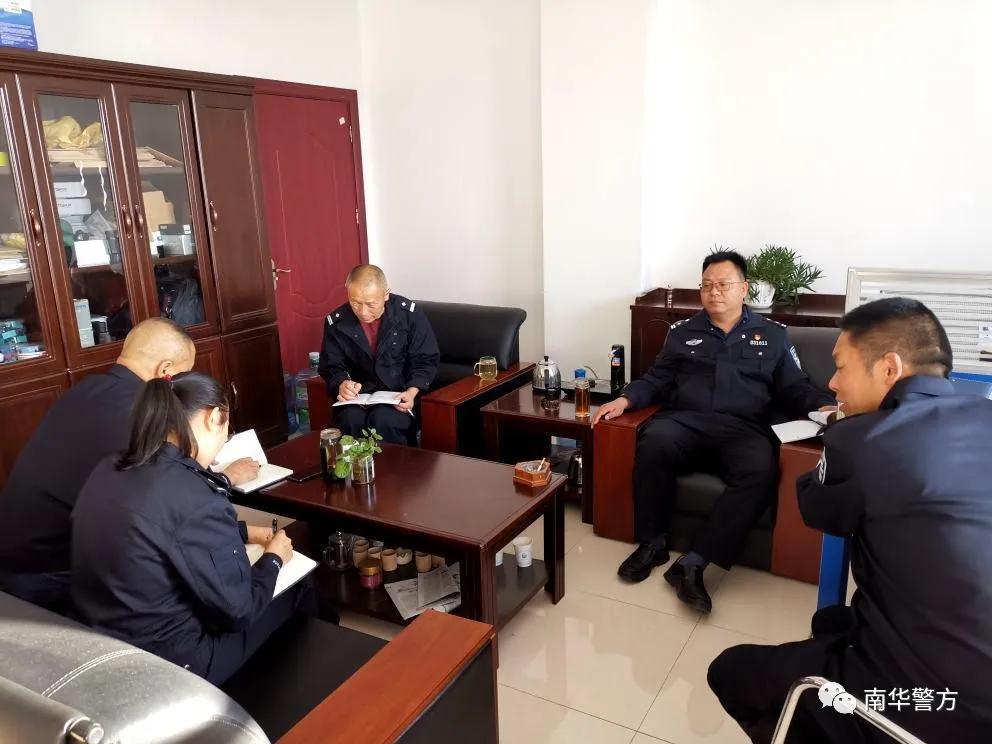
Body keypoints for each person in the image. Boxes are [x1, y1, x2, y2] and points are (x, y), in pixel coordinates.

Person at [708, 298, 992, 744]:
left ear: (889, 368)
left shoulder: (864, 440)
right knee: (832, 621)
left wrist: (840, 427)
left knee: (730, 670)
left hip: (920, 706)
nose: (832, 382)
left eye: (841, 367)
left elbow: (817, 509)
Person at [593, 250, 832, 613]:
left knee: (760, 470)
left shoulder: (772, 335)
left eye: (723, 284)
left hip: (744, 428)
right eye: (707, 285)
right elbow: (657, 379)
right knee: (654, 442)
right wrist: (625, 400)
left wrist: (823, 407)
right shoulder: (682, 332)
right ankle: (652, 543)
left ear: (744, 289)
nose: (714, 291)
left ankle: (694, 563)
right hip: (686, 422)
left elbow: (795, 387)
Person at [71, 372, 314, 685]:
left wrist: (243, 532)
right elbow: (238, 611)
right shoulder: (198, 497)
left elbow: (162, 533)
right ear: (213, 418)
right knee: (299, 586)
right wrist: (274, 559)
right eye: (226, 432)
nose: (221, 448)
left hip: (102, 642)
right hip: (170, 663)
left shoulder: (109, 467)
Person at [0, 318, 259, 611]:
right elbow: (177, 503)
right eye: (184, 377)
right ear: (166, 372)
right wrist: (225, 478)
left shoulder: (83, 389)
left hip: (14, 557)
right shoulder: (142, 416)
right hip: (52, 580)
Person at [318, 264, 440, 444]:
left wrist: (412, 392)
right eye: (355, 302)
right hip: (357, 398)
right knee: (350, 420)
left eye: (371, 304)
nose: (362, 312)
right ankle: (355, 464)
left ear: (386, 294)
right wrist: (342, 383)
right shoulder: (337, 322)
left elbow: (425, 359)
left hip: (400, 395)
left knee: (384, 419)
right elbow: (331, 366)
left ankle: (392, 464)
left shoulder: (409, 315)